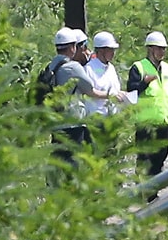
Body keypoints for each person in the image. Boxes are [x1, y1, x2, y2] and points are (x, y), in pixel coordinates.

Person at [40, 27, 114, 176]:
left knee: (59, 154)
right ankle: (71, 188)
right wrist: (111, 95)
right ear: (73, 47)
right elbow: (90, 89)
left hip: (56, 120)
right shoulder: (73, 67)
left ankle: (53, 184)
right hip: (73, 119)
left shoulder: (51, 66)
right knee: (73, 157)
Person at [127, 31, 168, 181]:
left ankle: (152, 192)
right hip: (146, 125)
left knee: (159, 161)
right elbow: (131, 91)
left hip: (164, 123)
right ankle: (145, 195)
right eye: (159, 48)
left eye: (164, 49)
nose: (162, 52)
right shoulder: (139, 68)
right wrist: (144, 82)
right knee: (144, 162)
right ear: (150, 49)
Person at [84, 31, 123, 117]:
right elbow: (89, 91)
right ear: (101, 50)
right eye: (110, 49)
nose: (113, 53)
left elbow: (115, 90)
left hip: (112, 118)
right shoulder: (89, 68)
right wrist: (110, 95)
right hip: (97, 118)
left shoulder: (111, 68)